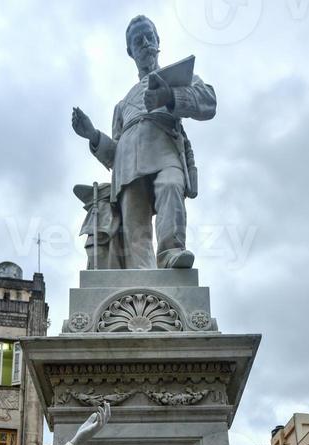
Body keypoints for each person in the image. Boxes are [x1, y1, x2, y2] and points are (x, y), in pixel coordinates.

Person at [71, 15, 216, 270]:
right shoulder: (122, 104)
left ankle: (171, 252)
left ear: (158, 41)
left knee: (171, 186)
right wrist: (93, 135)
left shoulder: (177, 77)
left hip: (166, 152)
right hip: (128, 167)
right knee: (135, 226)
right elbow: (114, 152)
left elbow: (208, 101)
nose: (146, 43)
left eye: (150, 37)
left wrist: (169, 95)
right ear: (131, 51)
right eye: (139, 41)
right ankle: (141, 279)